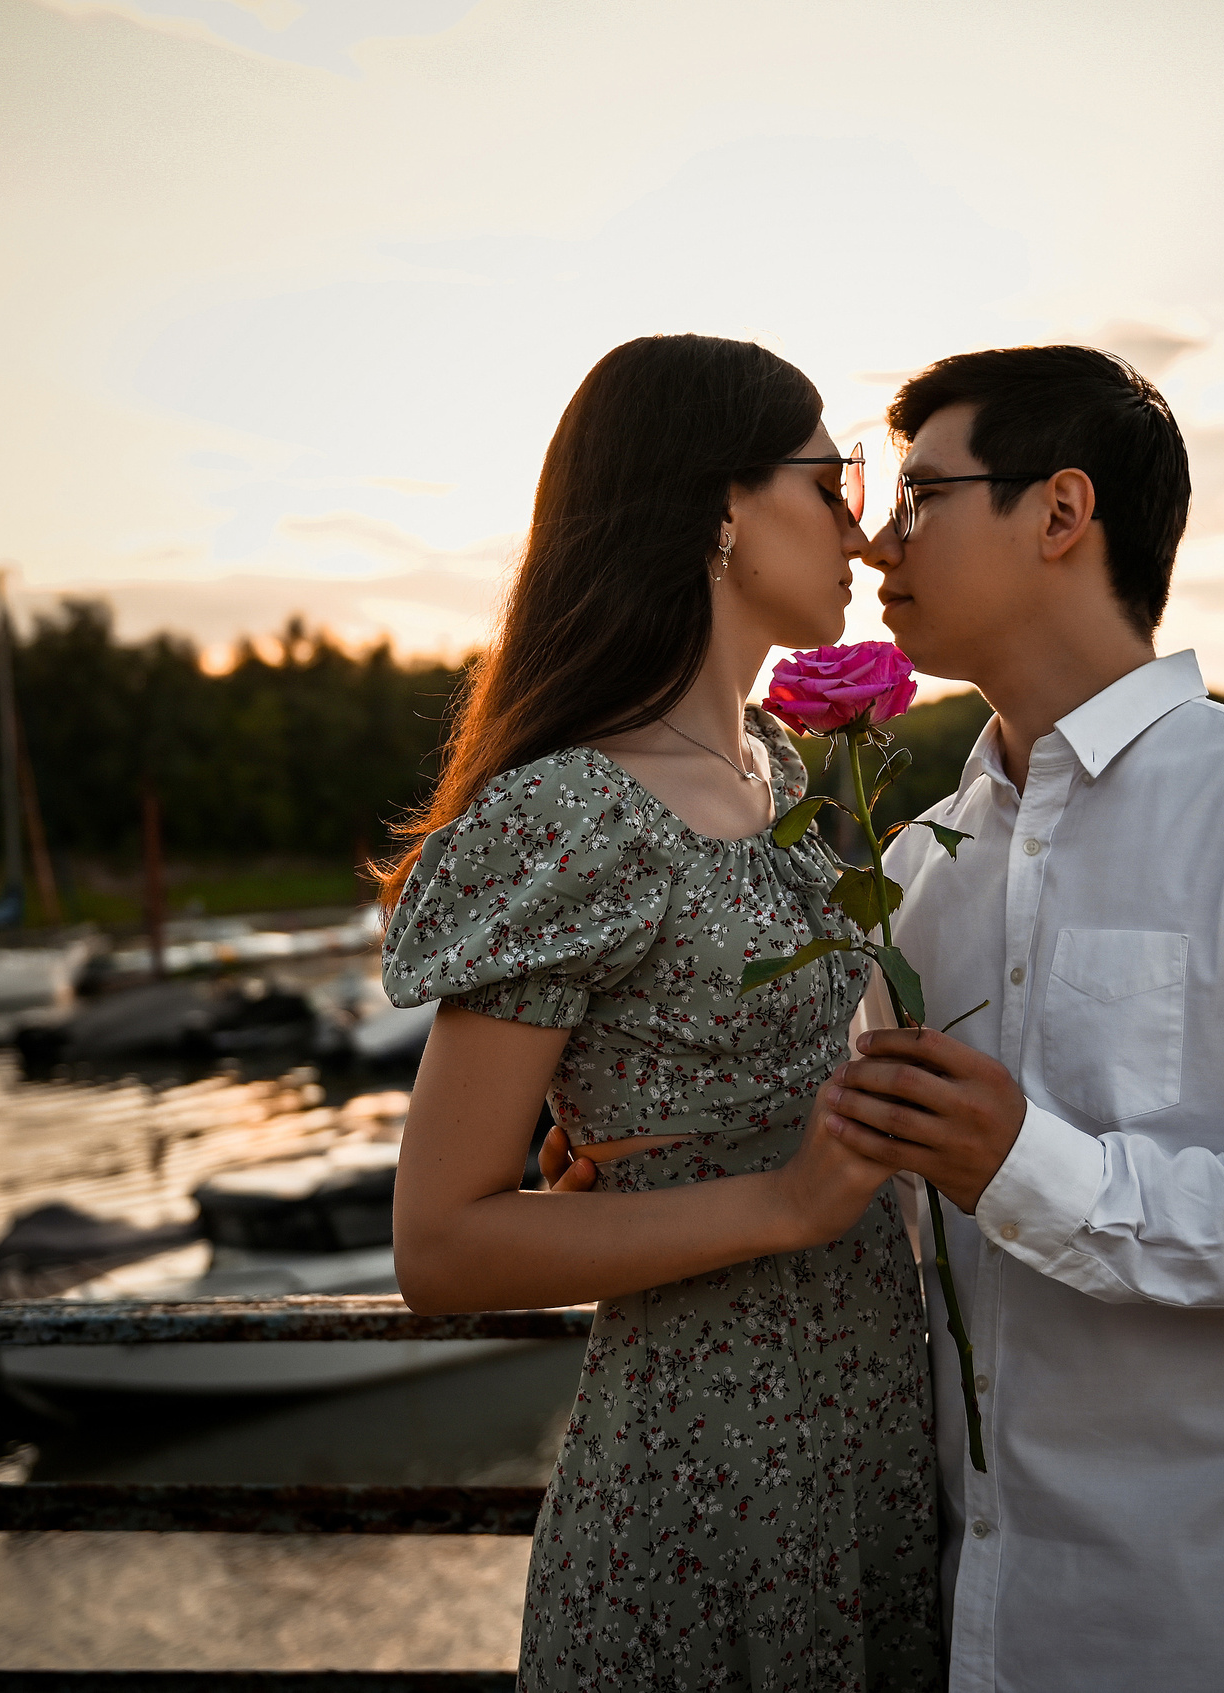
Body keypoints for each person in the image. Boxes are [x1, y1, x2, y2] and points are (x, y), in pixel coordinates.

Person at [819, 346, 1224, 1691]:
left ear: (1062, 512)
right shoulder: (920, 867)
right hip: (974, 1630)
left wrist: (1037, 1169)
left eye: (923, 496)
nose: (879, 542)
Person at [378, 334, 942, 1691]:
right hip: (709, 1470)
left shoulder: (779, 768)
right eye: (832, 479)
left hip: (872, 1432)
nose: (859, 528)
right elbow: (439, 1244)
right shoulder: (574, 810)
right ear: (719, 506)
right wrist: (784, 1202)